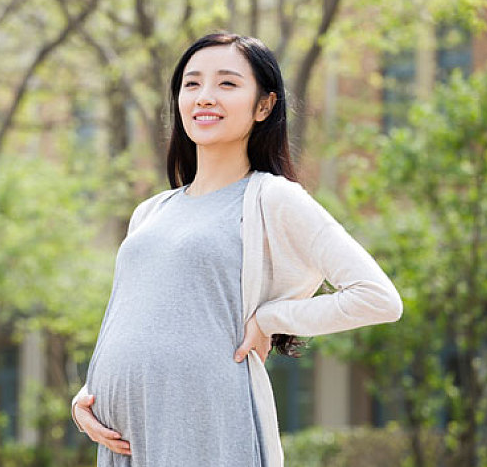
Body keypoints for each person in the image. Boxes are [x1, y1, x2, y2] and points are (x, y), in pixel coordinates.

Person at [70, 32, 403, 467]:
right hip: (126, 439)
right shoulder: (150, 212)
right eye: (192, 84)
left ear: (264, 105)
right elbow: (130, 319)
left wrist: (271, 318)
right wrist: (89, 394)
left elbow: (378, 297)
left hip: (208, 424)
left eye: (227, 84)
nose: (205, 97)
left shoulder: (273, 198)